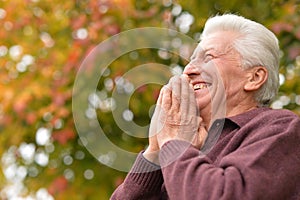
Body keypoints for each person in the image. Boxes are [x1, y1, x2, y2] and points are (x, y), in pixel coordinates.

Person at [110, 14, 300, 200]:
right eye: (192, 60)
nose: (189, 69)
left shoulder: (280, 128)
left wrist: (175, 144)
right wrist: (155, 152)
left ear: (254, 78)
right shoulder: (186, 142)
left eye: (208, 57)